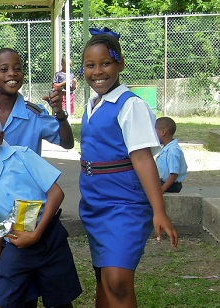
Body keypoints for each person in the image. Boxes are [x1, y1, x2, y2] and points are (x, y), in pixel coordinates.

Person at [79, 27, 178, 307]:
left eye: (106, 63)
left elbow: (143, 158)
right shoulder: (92, 103)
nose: (98, 71)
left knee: (118, 281)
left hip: (124, 203)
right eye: (90, 65)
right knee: (103, 277)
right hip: (95, 203)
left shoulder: (130, 105)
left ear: (120, 64)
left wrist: (159, 210)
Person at [0, 106, 82, 308]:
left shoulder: (21, 156)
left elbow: (56, 193)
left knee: (60, 301)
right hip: (15, 241)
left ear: (0, 137)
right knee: (2, 300)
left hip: (50, 237)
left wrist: (36, 234)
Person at [0, 48, 74, 155]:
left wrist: (60, 114)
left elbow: (67, 143)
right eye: (4, 69)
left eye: (17, 69)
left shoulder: (36, 115)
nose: (12, 73)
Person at [155, 117, 187, 193]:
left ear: (163, 132)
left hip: (171, 185)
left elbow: (174, 174)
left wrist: (162, 189)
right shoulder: (166, 147)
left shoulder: (172, 150)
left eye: (155, 133)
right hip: (165, 182)